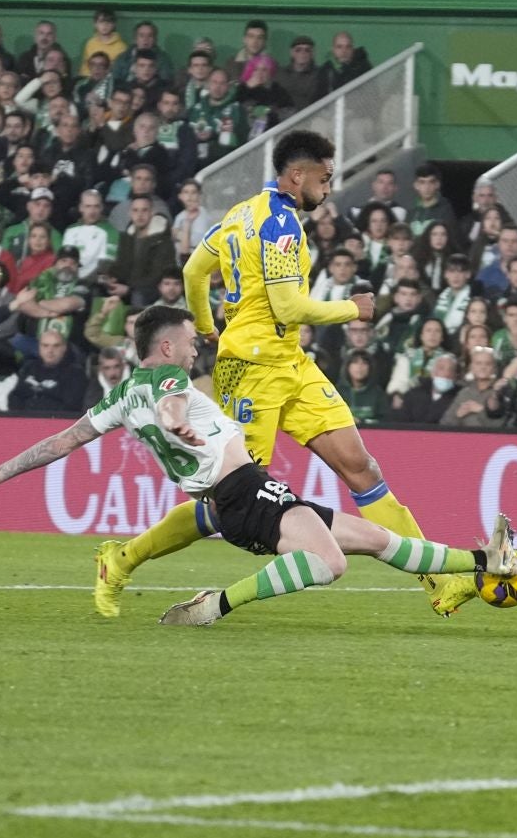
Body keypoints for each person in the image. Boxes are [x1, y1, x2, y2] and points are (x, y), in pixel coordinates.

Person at [0, 304, 517, 625]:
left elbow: (63, 442)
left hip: (241, 492)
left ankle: (485, 562)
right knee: (329, 562)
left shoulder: (119, 397)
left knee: (374, 538)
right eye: (190, 340)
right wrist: (175, 416)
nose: (199, 346)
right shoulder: (166, 378)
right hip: (243, 494)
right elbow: (172, 396)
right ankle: (213, 607)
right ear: (166, 347)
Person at [100, 130, 479, 618]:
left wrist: (208, 326)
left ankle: (439, 581)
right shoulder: (278, 224)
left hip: (290, 362)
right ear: (297, 175)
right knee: (229, 499)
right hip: (254, 370)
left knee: (361, 467)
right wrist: (353, 309)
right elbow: (287, 303)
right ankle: (123, 558)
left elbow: (195, 271)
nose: (329, 185)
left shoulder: (239, 214)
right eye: (325, 177)